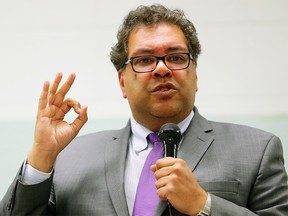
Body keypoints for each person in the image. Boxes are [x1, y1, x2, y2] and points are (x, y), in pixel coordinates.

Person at [0, 3, 287, 216]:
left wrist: (205, 205)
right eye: (145, 60)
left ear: (195, 76)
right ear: (122, 81)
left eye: (176, 57)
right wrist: (42, 156)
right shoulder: (69, 157)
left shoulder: (258, 151)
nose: (162, 69)